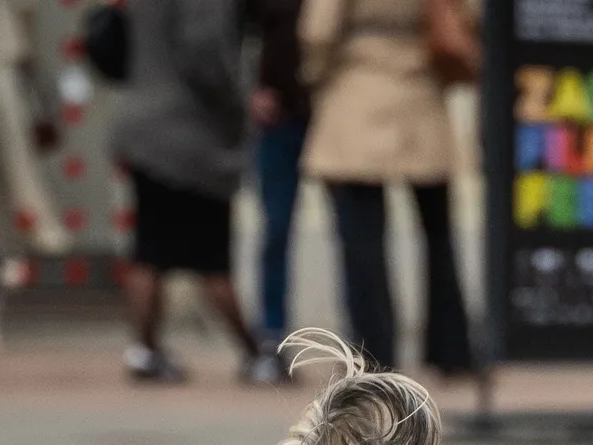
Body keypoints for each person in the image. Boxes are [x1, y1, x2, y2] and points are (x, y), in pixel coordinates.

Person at [298, 0, 474, 374]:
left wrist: (317, 75)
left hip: (358, 92)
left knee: (362, 241)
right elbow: (470, 16)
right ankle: (452, 348)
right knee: (439, 235)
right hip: (421, 92)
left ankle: (373, 351)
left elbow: (319, 30)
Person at [110, 0, 267, 383]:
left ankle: (144, 352)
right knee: (212, 257)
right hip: (193, 137)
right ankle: (254, 354)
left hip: (145, 126)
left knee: (149, 249)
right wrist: (241, 105)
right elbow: (205, 52)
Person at [245, 0, 308, 371]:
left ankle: (360, 343)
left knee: (353, 232)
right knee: (276, 228)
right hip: (279, 118)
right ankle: (273, 335)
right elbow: (229, 33)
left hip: (332, 112)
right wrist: (248, 91)